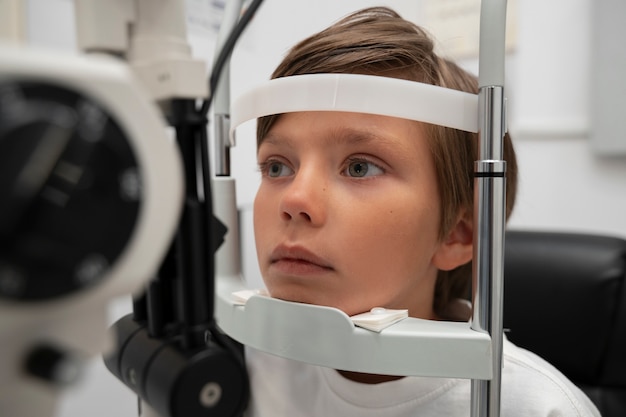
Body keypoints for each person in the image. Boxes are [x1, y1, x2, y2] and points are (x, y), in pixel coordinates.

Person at [244, 6, 600, 417]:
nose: (294, 200)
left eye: (360, 167)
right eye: (277, 167)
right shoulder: (257, 364)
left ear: (459, 233)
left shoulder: (537, 408)